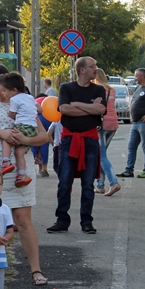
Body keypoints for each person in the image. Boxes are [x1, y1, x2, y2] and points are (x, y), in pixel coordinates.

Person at [0, 64, 50, 285]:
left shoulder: (24, 103)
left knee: (23, 219)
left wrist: (24, 140)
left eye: (4, 77)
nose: (0, 82)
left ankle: (36, 269)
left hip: (19, 167)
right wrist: (1, 133)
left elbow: (43, 136)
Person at [47, 57, 106, 234]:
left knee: (88, 184)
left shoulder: (98, 89)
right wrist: (90, 107)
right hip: (69, 140)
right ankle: (62, 220)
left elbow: (101, 110)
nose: (95, 69)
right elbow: (64, 109)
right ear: (82, 70)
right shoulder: (67, 88)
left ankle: (86, 221)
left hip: (90, 141)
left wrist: (77, 105)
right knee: (65, 182)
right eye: (92, 66)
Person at [0, 72, 38, 187]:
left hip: (23, 126)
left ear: (14, 90)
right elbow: (39, 109)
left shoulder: (14, 99)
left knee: (6, 139)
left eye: (4, 90)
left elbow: (11, 114)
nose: (3, 93)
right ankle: (22, 174)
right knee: (19, 152)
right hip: (33, 129)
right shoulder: (30, 97)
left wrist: (10, 114)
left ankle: (5, 162)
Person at [117, 67, 145, 179]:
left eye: (136, 76)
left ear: (142, 76)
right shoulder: (139, 88)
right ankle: (129, 170)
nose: (135, 78)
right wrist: (131, 115)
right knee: (131, 146)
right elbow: (133, 100)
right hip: (135, 122)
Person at [93, 69, 121, 196]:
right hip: (113, 123)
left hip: (101, 124)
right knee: (101, 155)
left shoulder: (96, 90)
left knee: (101, 155)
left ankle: (113, 182)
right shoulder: (111, 90)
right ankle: (100, 185)